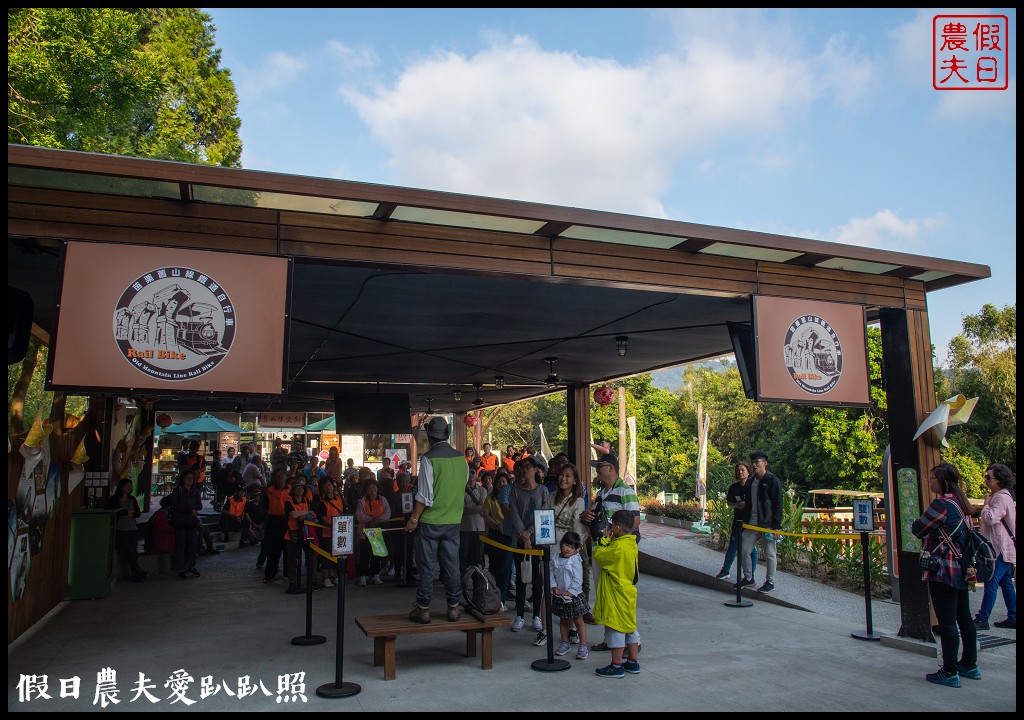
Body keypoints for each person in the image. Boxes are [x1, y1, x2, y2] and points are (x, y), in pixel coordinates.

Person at [911, 463, 979, 688]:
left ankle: (949, 670)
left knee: (948, 621)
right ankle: (969, 664)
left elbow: (919, 528)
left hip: (942, 569)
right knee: (964, 618)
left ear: (944, 482)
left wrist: (916, 523)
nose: (930, 482)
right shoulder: (962, 505)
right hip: (962, 568)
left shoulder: (941, 504)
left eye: (933, 478)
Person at [406, 416, 468, 624]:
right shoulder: (462, 460)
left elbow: (424, 496)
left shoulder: (428, 459)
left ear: (430, 437)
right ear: (448, 434)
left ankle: (423, 609)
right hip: (453, 521)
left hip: (431, 523)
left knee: (427, 567)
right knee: (452, 566)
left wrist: (414, 519)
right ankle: (453, 607)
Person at [593, 510, 641, 678]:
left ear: (618, 528)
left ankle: (616, 665)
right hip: (628, 592)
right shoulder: (631, 543)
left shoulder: (617, 548)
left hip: (616, 594)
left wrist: (604, 540)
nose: (610, 528)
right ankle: (633, 662)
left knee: (615, 630)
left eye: (612, 525)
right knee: (630, 629)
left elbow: (599, 555)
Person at [507, 454, 549, 638]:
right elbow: (513, 514)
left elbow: (544, 513)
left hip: (538, 539)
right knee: (522, 577)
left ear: (535, 470)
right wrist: (523, 535)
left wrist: (530, 533)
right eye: (522, 467)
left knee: (537, 579)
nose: (524, 470)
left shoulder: (543, 491)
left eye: (528, 467)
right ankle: (519, 615)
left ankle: (537, 616)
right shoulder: (515, 491)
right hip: (519, 540)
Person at [545, 462, 589, 635]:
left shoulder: (577, 501)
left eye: (568, 476)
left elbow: (577, 527)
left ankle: (572, 627)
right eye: (561, 475)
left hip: (568, 547)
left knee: (568, 588)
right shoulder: (551, 496)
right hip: (550, 543)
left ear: (575, 481)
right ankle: (546, 628)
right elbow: (544, 519)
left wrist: (572, 548)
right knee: (550, 587)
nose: (563, 478)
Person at [974, 463, 1016, 630]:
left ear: (999, 480)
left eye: (989, 477)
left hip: (998, 549)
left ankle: (982, 618)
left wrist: (985, 505)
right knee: (1006, 583)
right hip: (1005, 547)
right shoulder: (1006, 497)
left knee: (991, 582)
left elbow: (991, 518)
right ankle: (1013, 616)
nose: (986, 480)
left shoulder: (999, 498)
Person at [739, 450, 783, 593]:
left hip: (767, 524)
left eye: (757, 462)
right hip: (751, 523)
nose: (754, 465)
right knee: (744, 549)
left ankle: (770, 582)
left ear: (765, 463)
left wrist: (777, 527)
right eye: (753, 462)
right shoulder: (751, 481)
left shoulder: (772, 481)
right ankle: (748, 578)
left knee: (770, 553)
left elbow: (778, 504)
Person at [716, 461, 759, 581]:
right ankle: (725, 570)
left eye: (743, 470)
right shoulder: (734, 487)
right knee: (733, 546)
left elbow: (758, 502)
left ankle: (750, 574)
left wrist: (747, 504)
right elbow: (729, 503)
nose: (740, 472)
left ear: (748, 471)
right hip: (738, 521)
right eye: (738, 470)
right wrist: (736, 505)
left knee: (752, 549)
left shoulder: (753, 486)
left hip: (750, 522)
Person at [550, 531, 589, 660]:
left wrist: (571, 591)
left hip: (574, 595)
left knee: (578, 620)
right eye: (566, 545)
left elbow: (578, 578)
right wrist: (554, 586)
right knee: (563, 620)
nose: (568, 549)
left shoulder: (576, 559)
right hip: (560, 595)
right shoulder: (554, 558)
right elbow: (551, 575)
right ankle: (565, 642)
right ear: (561, 544)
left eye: (572, 547)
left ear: (576, 549)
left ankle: (583, 645)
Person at [107, 478, 146, 581]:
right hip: (120, 529)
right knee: (129, 550)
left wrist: (126, 513)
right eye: (127, 485)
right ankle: (137, 571)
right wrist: (126, 513)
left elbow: (137, 512)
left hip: (132, 528)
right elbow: (114, 512)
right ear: (121, 486)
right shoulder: (114, 499)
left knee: (133, 550)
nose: (129, 487)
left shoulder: (132, 499)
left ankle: (136, 572)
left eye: (130, 485)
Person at [356, 479, 391, 585]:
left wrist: (377, 520)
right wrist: (371, 519)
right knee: (364, 554)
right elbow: (359, 514)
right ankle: (363, 575)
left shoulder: (382, 499)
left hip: (377, 531)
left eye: (374, 487)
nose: (372, 489)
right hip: (365, 531)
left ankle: (376, 575)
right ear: (366, 490)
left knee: (376, 554)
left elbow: (387, 513)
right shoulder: (362, 501)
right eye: (370, 487)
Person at [169, 469, 203, 579]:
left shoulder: (195, 491)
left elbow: (199, 505)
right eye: (187, 478)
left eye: (191, 478)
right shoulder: (177, 491)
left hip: (191, 522)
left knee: (193, 545)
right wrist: (189, 509)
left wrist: (194, 509)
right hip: (180, 522)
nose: (189, 480)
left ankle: (191, 566)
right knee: (181, 546)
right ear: (183, 479)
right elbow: (175, 505)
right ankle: (180, 568)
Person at [313, 479, 345, 588]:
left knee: (337, 554)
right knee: (326, 555)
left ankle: (335, 576)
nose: (328, 487)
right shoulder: (322, 503)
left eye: (330, 485)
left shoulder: (340, 499)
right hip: (326, 533)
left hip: (340, 532)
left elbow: (344, 513)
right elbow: (322, 518)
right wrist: (331, 526)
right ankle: (326, 577)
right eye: (325, 486)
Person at [262, 469, 291, 583]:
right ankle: (270, 574)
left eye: (282, 474)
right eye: (278, 475)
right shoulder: (268, 490)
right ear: (274, 478)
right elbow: (263, 507)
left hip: (288, 521)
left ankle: (288, 574)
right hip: (273, 521)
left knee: (288, 550)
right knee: (272, 550)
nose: (280, 477)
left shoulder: (291, 489)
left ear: (285, 476)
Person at [283, 480, 312, 594]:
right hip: (292, 532)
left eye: (302, 488)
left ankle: (310, 579)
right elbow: (293, 514)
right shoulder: (289, 501)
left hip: (305, 531)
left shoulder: (307, 500)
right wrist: (306, 512)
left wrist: (305, 513)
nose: (300, 489)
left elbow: (312, 513)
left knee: (309, 555)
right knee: (292, 558)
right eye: (297, 488)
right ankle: (293, 582)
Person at [460, 467, 488, 574]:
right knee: (463, 558)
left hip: (479, 529)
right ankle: (462, 585)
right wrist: (477, 507)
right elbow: (460, 507)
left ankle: (478, 586)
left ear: (476, 475)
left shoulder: (483, 490)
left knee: (478, 559)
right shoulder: (460, 489)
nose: (471, 475)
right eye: (468, 472)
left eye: (473, 472)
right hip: (464, 529)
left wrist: (468, 507)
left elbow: (484, 507)